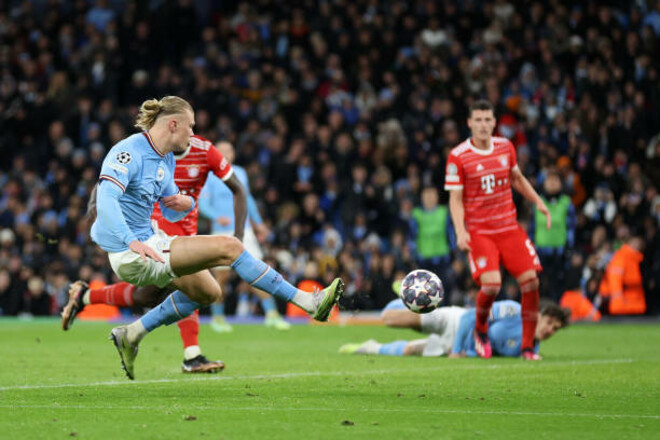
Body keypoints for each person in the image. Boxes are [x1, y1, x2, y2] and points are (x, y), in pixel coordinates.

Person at [88, 96, 343, 380]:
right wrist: (130, 240)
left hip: (152, 240)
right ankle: (309, 302)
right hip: (131, 250)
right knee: (231, 247)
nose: (193, 134)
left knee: (209, 292)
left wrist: (182, 202)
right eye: (190, 127)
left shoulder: (166, 159)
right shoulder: (128, 151)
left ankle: (132, 333)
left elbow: (169, 209)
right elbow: (107, 200)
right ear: (174, 124)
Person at [62, 131, 249, 374]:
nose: (188, 132)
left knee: (148, 296)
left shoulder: (204, 151)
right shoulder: (151, 148)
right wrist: (94, 203)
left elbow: (239, 189)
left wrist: (239, 237)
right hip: (154, 235)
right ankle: (191, 354)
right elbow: (111, 176)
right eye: (185, 126)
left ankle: (85, 297)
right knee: (186, 288)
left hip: (186, 234)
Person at [444, 99, 551, 360]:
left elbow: (516, 178)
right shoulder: (458, 156)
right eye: (477, 120)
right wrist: (461, 230)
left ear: (494, 122)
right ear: (469, 123)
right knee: (492, 285)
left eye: (487, 120)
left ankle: (527, 347)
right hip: (480, 231)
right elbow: (455, 198)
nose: (483, 125)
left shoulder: (505, 147)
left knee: (531, 281)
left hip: (509, 228)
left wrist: (538, 201)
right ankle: (480, 328)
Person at [198, 141, 290, 332]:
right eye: (221, 151)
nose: (225, 153)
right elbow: (202, 203)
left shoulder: (239, 172)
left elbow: (247, 200)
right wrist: (217, 217)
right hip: (222, 231)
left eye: (229, 150)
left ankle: (271, 314)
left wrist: (259, 224)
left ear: (233, 153)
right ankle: (218, 317)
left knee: (258, 271)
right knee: (222, 277)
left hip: (244, 230)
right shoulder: (208, 175)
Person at [339, 298, 569, 358]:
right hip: (456, 322)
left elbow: (488, 352)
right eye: (549, 323)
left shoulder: (531, 350)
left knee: (412, 350)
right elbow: (472, 316)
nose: (550, 330)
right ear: (538, 315)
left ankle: (369, 348)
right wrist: (459, 348)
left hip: (455, 347)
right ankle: (410, 296)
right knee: (389, 318)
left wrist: (463, 352)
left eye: (555, 329)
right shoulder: (513, 311)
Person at [597, 236, 646, 315]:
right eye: (635, 243)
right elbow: (615, 280)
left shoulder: (636, 259)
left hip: (634, 299)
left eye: (639, 244)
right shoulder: (622, 256)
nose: (637, 245)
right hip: (624, 301)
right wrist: (618, 302)